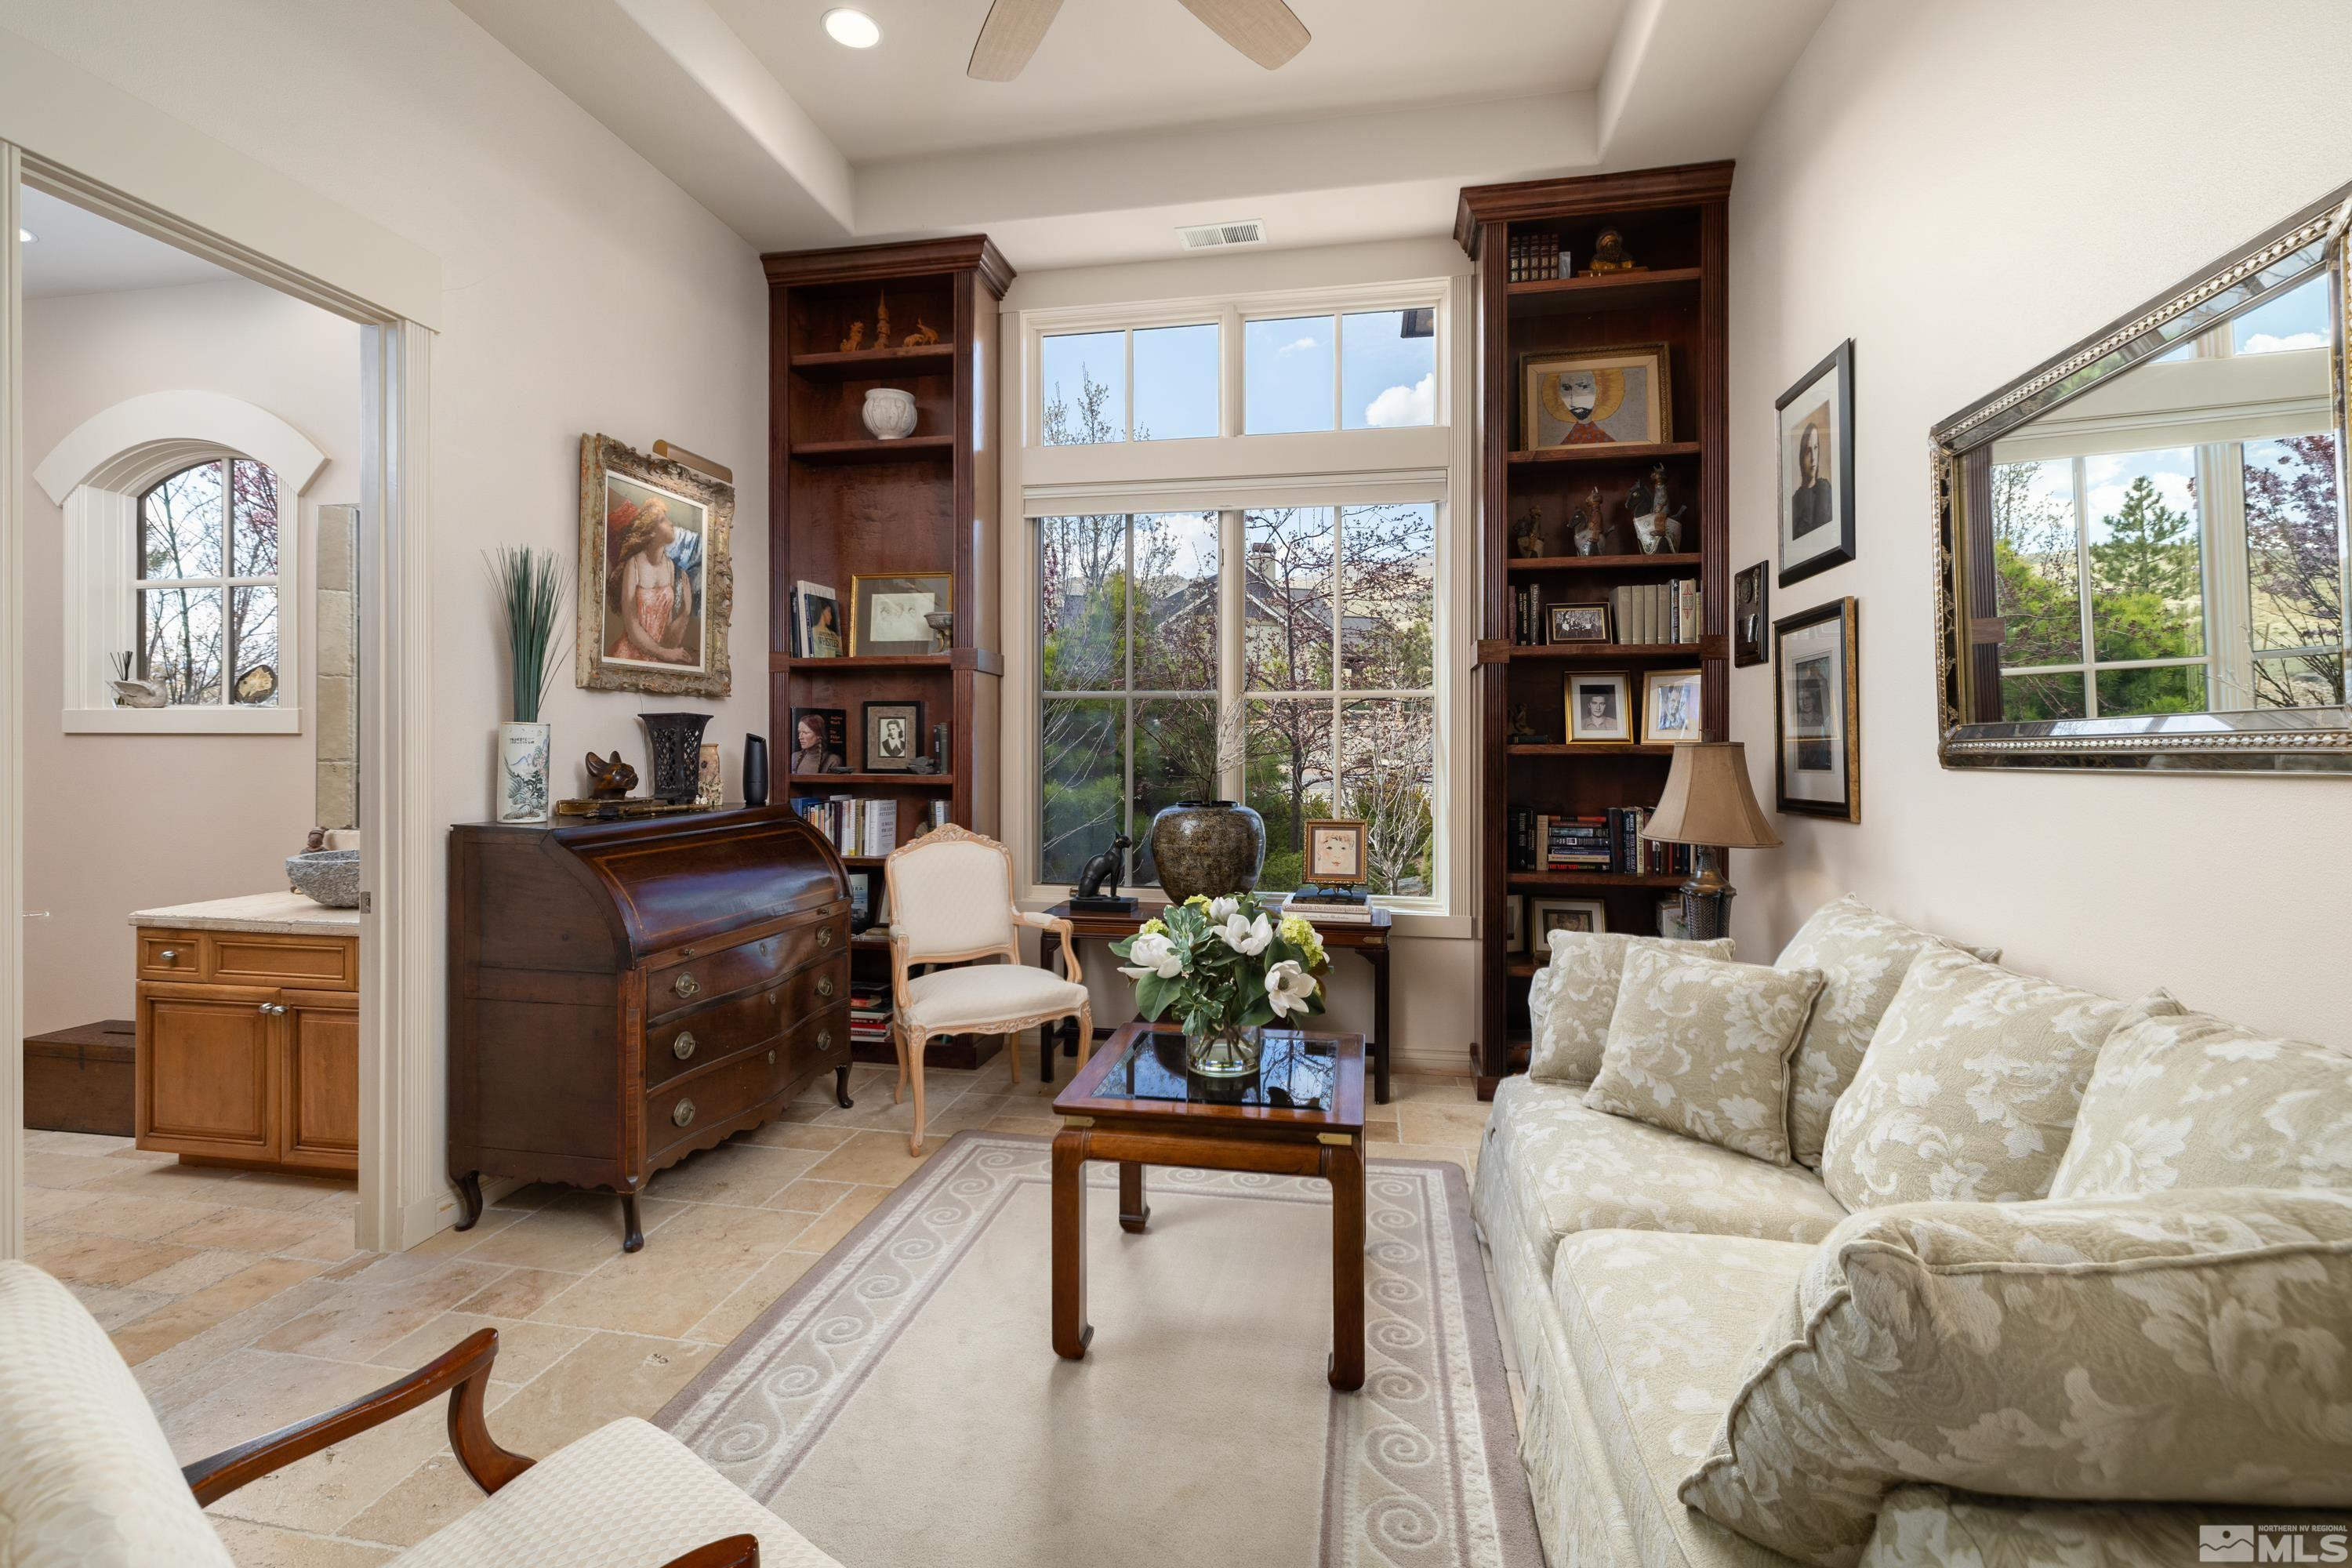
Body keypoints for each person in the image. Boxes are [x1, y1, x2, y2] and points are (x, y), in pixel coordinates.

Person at [608, 499, 692, 664]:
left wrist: (686, 611)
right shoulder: (634, 565)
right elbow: (632, 628)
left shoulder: (670, 567)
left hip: (656, 660)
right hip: (629, 658)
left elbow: (668, 640)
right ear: (652, 532)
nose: (671, 523)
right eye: (663, 520)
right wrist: (663, 652)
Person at [1790, 419, 1835, 539]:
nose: (1814, 458)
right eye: (1808, 451)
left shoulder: (1825, 489)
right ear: (1801, 456)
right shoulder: (1794, 502)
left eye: (1815, 448)